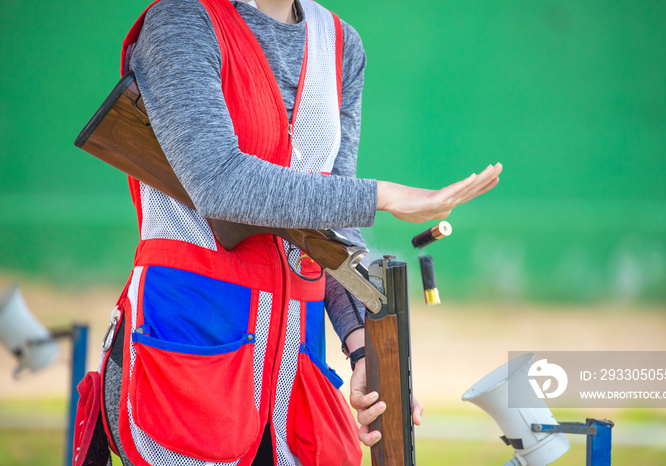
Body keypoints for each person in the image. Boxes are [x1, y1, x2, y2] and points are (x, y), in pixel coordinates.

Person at [99, 0, 503, 465]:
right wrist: (382, 196)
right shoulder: (181, 19)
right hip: (189, 351)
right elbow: (219, 182)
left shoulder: (341, 43)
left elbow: (329, 232)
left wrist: (363, 349)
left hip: (294, 381)